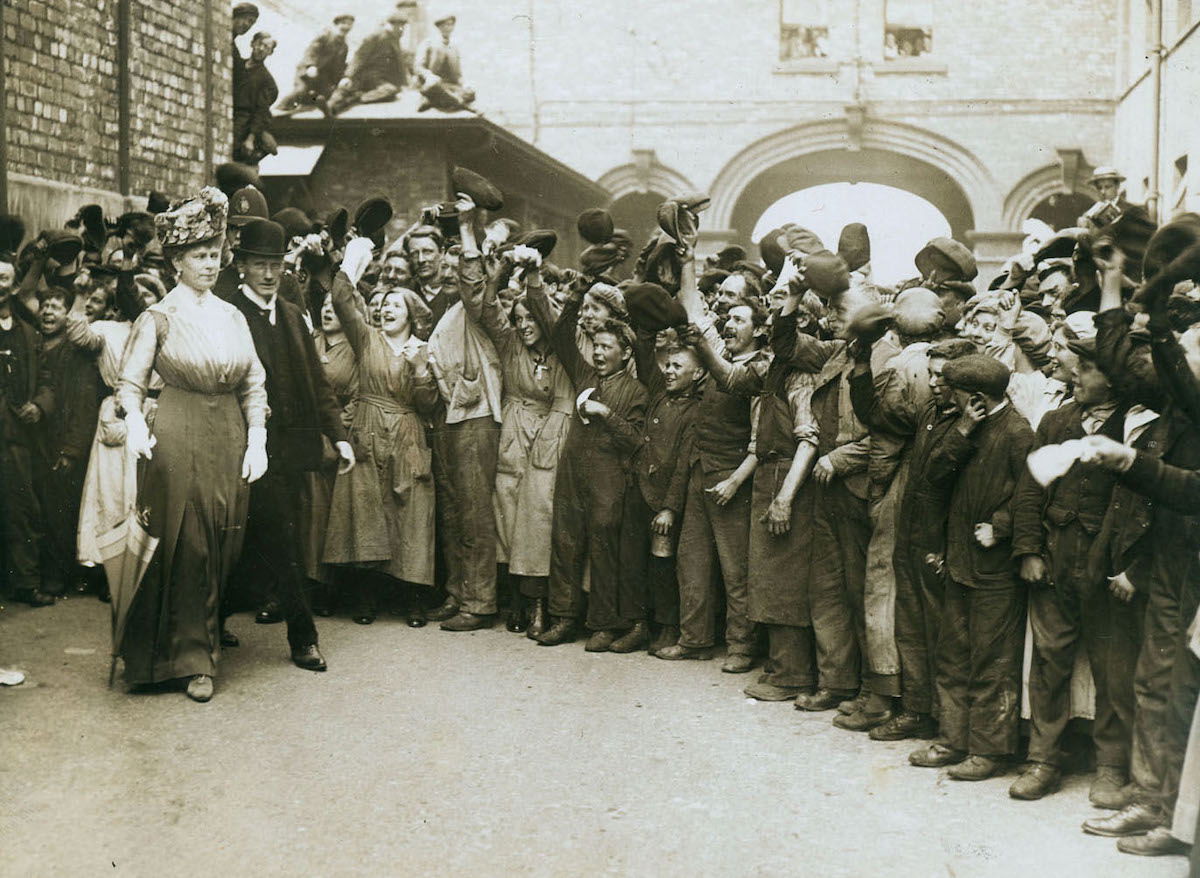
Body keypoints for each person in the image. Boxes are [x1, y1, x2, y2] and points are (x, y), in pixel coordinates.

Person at [115, 187, 268, 704]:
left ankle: (197, 639)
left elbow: (253, 381)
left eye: (214, 254)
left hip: (228, 430)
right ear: (177, 260)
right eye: (199, 255)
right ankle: (192, 659)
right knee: (187, 542)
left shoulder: (231, 316)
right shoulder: (158, 317)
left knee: (225, 539)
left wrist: (258, 438)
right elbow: (130, 384)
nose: (209, 263)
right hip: (178, 428)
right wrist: (136, 424)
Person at [225, 219, 355, 671]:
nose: (268, 273)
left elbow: (319, 385)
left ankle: (213, 616)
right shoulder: (228, 313)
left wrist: (338, 437)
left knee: (262, 541)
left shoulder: (294, 316)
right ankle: (304, 638)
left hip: (292, 451)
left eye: (275, 264)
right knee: (280, 540)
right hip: (244, 449)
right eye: (259, 264)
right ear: (240, 266)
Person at [1009, 336, 1125, 801]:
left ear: (1115, 376)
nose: (1075, 372)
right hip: (1056, 556)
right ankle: (1043, 759)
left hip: (1106, 564)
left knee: (1112, 665)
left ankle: (1113, 766)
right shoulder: (1058, 420)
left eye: (1089, 367)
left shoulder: (1135, 425)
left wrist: (1124, 568)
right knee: (1049, 662)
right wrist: (1030, 551)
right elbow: (1030, 490)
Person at [910, 354, 1034, 779]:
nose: (948, 396)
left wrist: (1001, 527)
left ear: (976, 397)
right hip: (961, 559)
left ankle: (990, 749)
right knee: (953, 654)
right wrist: (964, 429)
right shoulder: (966, 426)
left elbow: (1035, 495)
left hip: (995, 567)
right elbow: (934, 478)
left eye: (958, 394)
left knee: (991, 660)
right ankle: (953, 739)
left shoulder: (1018, 432)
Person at [523, 281, 647, 646]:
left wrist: (605, 413)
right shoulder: (584, 375)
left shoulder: (637, 391)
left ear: (625, 353)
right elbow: (561, 332)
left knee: (603, 547)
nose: (598, 353)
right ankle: (563, 619)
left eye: (607, 347)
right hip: (573, 468)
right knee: (564, 543)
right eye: (596, 346)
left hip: (609, 476)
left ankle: (604, 624)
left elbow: (636, 441)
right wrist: (576, 296)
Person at [322, 238, 439, 624]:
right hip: (368, 427)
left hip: (407, 432)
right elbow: (342, 299)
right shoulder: (366, 338)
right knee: (367, 512)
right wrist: (352, 262)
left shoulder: (423, 348)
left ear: (412, 314)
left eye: (395, 305)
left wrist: (422, 370)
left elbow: (428, 406)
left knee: (411, 513)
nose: (387, 309)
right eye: (382, 305)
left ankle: (413, 599)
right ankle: (367, 598)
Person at [459, 244, 572, 635]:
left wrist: (535, 277)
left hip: (548, 439)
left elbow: (548, 312)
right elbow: (488, 306)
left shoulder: (561, 350)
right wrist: (505, 267)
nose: (523, 324)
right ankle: (517, 601)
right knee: (506, 516)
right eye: (518, 317)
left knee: (539, 521)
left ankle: (540, 602)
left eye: (530, 318)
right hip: (512, 438)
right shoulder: (509, 345)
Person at [425, 203, 504, 631]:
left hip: (478, 418)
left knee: (474, 510)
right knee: (455, 510)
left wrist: (467, 229)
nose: (452, 267)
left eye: (460, 260)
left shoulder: (481, 307)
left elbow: (474, 281)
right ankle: (458, 593)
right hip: (454, 418)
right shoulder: (451, 310)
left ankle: (480, 600)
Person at [31, 286, 100, 598]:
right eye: (45, 305)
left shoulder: (76, 355)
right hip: (35, 440)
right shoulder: (33, 345)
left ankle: (57, 575)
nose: (47, 311)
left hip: (61, 444)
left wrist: (72, 449)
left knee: (59, 511)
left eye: (56, 307)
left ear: (68, 314)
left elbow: (85, 405)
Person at [0, 232, 55, 607]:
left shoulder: (29, 333)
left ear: (14, 284)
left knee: (22, 508)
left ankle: (25, 583)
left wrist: (40, 404)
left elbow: (49, 380)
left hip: (18, 438)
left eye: (3, 278)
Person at [328, 12, 410, 116]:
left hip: (378, 79)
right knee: (344, 91)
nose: (400, 29)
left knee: (391, 90)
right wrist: (348, 76)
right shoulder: (375, 36)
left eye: (402, 25)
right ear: (388, 24)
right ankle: (330, 107)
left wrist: (403, 83)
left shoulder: (394, 40)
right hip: (364, 76)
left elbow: (399, 63)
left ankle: (356, 98)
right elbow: (359, 57)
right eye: (396, 25)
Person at [276, 15, 355, 116]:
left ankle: (312, 105)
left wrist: (343, 79)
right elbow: (311, 52)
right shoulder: (325, 36)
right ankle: (279, 108)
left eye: (349, 25)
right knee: (301, 90)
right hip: (308, 73)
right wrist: (311, 65)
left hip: (322, 78)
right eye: (344, 23)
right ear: (336, 24)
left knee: (329, 95)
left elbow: (339, 67)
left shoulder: (344, 46)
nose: (346, 27)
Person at [414, 11, 476, 113]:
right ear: (439, 27)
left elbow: (458, 74)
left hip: (450, 86)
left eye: (451, 25)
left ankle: (439, 101)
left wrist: (465, 83)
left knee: (470, 93)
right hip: (433, 84)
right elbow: (418, 66)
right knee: (433, 88)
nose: (449, 28)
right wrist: (429, 76)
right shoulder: (428, 43)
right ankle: (460, 104)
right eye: (445, 25)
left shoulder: (454, 48)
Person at [232, 31, 279, 164]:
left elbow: (261, 112)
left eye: (267, 48)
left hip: (242, 121)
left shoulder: (267, 81)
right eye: (260, 44)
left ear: (270, 53)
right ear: (252, 44)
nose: (261, 49)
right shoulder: (237, 65)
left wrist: (250, 139)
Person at [231, 2, 259, 92]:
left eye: (252, 23)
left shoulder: (234, 50)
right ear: (238, 14)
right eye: (248, 20)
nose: (248, 25)